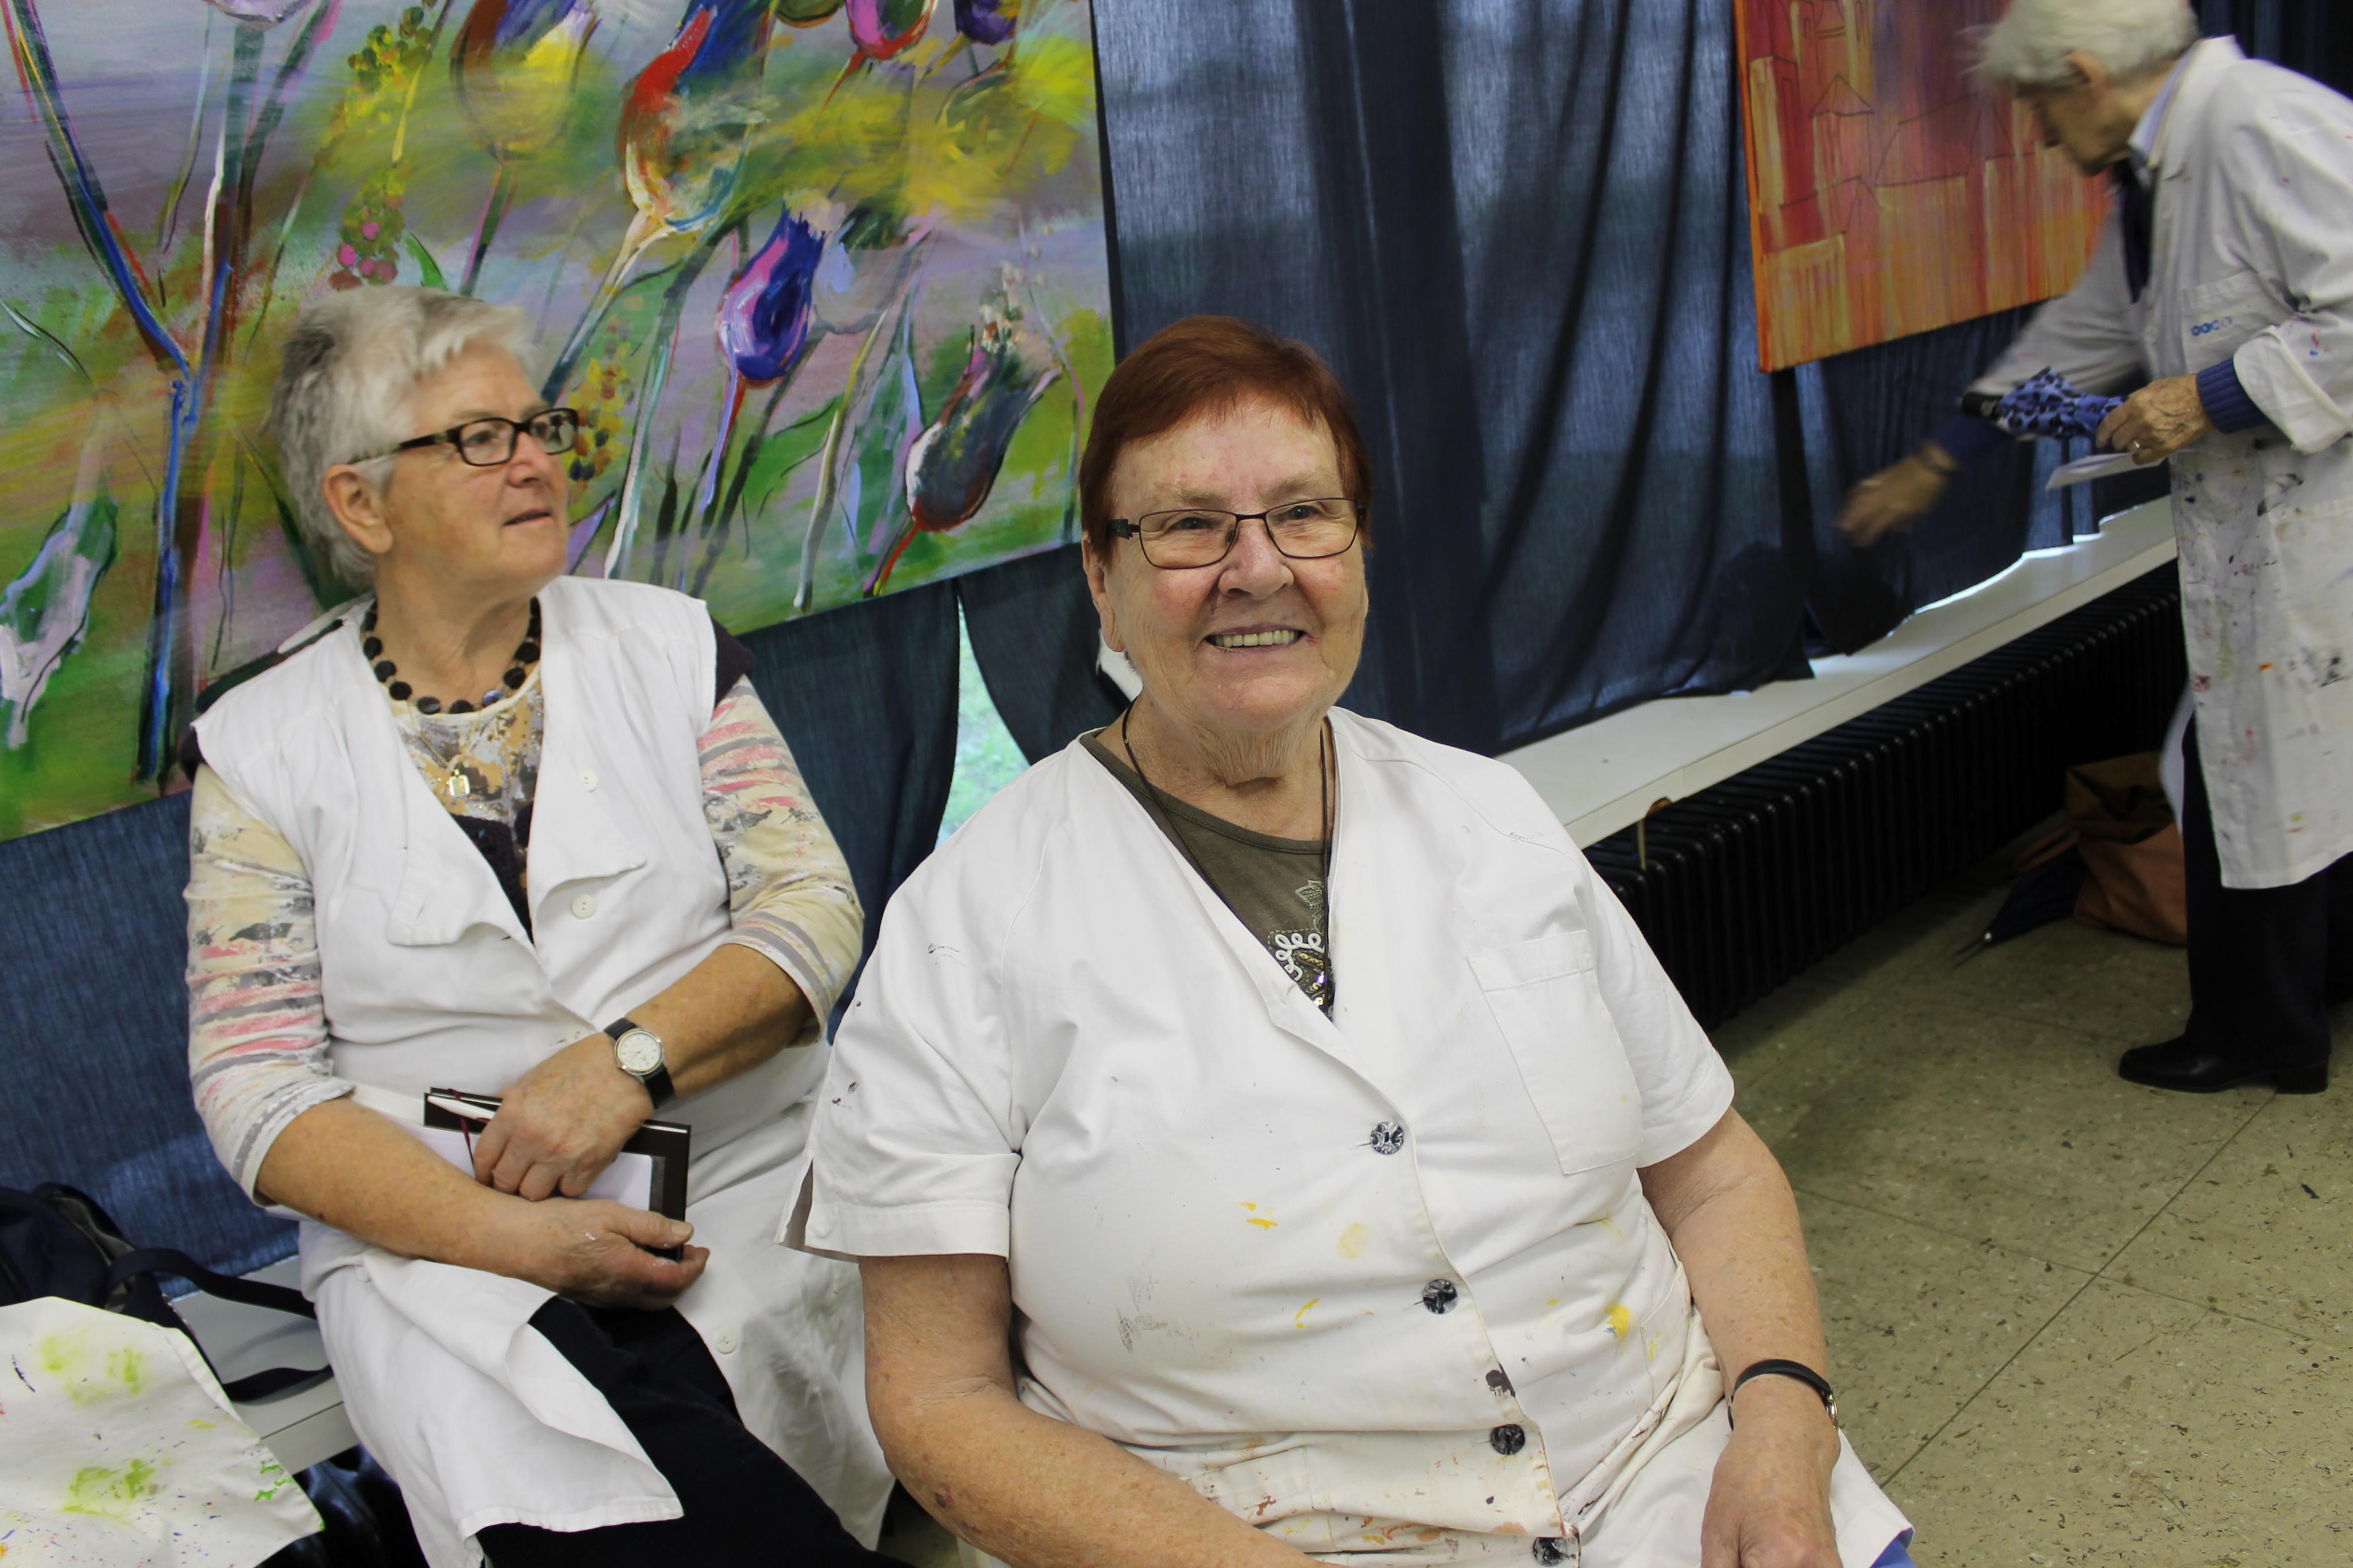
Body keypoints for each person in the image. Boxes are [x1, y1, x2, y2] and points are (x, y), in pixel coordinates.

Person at [792, 316, 1915, 1567]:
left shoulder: (1489, 815)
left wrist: (1783, 1423)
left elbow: (1711, 1173)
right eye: (1188, 526)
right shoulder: (963, 928)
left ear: (1358, 550)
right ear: (1099, 579)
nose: (1257, 568)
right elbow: (937, 1400)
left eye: (1303, 514)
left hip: (1679, 1478)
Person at [183, 287, 897, 1567]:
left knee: (722, 1463)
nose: (532, 460)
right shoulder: (261, 747)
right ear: (361, 505)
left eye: (537, 426)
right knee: (579, 1494)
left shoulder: (669, 648)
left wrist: (622, 1066)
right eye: (476, 438)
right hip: (440, 1244)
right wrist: (514, 1239)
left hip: (738, 1181)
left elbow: (809, 910)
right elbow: (254, 1080)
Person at [1837, 0, 2353, 1095]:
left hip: (2320, 527)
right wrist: (1943, 458)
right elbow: (2095, 326)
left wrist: (2206, 398)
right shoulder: (2160, 173)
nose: (2035, 136)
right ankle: (2292, 1009)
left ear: (2083, 74)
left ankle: (2262, 1037)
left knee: (2264, 779)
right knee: (2264, 775)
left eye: (2034, 107)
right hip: (2271, 536)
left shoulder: (2261, 126)